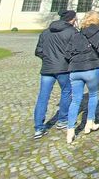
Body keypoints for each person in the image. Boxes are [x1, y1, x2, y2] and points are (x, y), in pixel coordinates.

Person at [65, 10, 99, 144]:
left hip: (75, 70)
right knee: (93, 95)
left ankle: (70, 130)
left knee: (75, 100)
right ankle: (89, 123)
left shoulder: (77, 34)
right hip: (92, 68)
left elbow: (68, 54)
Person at [33, 10, 77, 139]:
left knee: (43, 96)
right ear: (72, 19)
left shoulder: (45, 32)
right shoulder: (72, 32)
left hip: (47, 68)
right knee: (66, 91)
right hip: (63, 68)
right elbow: (74, 51)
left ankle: (38, 127)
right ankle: (63, 120)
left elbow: (38, 51)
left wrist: (48, 59)